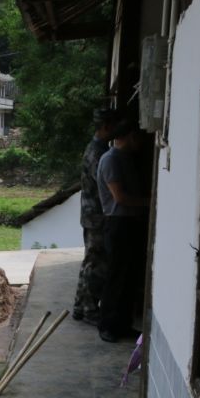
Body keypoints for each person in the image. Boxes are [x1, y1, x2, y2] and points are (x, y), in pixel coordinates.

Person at [95, 120, 150, 343]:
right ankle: (106, 325)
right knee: (116, 276)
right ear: (128, 136)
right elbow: (120, 197)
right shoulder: (110, 160)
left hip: (131, 222)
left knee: (129, 277)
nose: (141, 142)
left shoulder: (126, 159)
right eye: (137, 136)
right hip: (118, 223)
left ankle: (122, 324)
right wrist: (151, 202)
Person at [73, 109, 119, 325]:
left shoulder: (97, 149)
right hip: (96, 216)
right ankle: (89, 310)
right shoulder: (97, 153)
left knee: (90, 262)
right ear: (106, 127)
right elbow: (105, 186)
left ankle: (80, 307)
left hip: (93, 215)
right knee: (95, 264)